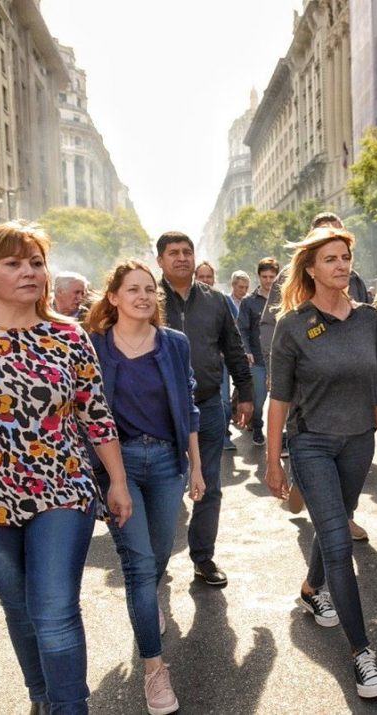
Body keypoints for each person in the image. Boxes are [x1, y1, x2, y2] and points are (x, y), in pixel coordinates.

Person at [0, 222, 132, 713]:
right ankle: (41, 696)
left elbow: (95, 412)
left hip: (61, 488)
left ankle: (69, 707)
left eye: (36, 263)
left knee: (56, 610)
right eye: (13, 263)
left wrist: (119, 483)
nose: (29, 272)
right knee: (20, 610)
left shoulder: (68, 336)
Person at [263, 226, 377, 698]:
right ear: (311, 269)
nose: (342, 265)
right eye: (330, 259)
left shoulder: (366, 319)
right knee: (340, 543)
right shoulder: (293, 325)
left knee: (336, 521)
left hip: (358, 442)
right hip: (311, 444)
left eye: (345, 257)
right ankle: (362, 654)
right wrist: (273, 460)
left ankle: (311, 587)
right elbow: (278, 399)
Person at [86, 260, 205, 715]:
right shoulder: (93, 345)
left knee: (159, 553)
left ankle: (146, 606)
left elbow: (189, 409)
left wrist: (195, 467)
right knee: (137, 565)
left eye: (149, 289)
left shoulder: (174, 344)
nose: (143, 296)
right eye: (132, 289)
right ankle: (155, 671)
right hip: (119, 464)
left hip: (167, 464)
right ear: (113, 297)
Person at [258, 212, 370, 541]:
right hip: (305, 374)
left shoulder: (353, 278)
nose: (339, 262)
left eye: (343, 249)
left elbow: (363, 320)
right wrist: (276, 369)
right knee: (306, 434)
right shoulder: (287, 281)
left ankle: (342, 515)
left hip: (347, 379)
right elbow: (270, 326)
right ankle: (305, 484)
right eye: (327, 243)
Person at [157, 231, 253, 587]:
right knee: (165, 491)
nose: (181, 258)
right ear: (160, 261)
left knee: (209, 487)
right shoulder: (146, 299)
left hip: (209, 406)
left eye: (187, 252)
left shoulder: (215, 301)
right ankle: (156, 564)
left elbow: (233, 346)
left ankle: (203, 559)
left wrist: (245, 392)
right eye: (173, 253)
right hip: (159, 414)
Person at [193, 262, 238, 450]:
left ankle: (224, 433)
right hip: (196, 366)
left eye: (208, 276)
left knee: (224, 403)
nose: (205, 280)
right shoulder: (188, 300)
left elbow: (232, 329)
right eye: (201, 276)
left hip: (220, 362)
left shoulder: (221, 300)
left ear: (214, 279)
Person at [237, 257, 279, 447]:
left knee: (284, 400)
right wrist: (246, 350)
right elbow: (242, 329)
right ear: (259, 276)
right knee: (260, 398)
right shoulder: (248, 302)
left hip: (282, 358)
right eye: (265, 276)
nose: (268, 280)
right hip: (258, 358)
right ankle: (258, 426)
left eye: (272, 276)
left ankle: (284, 435)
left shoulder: (286, 298)